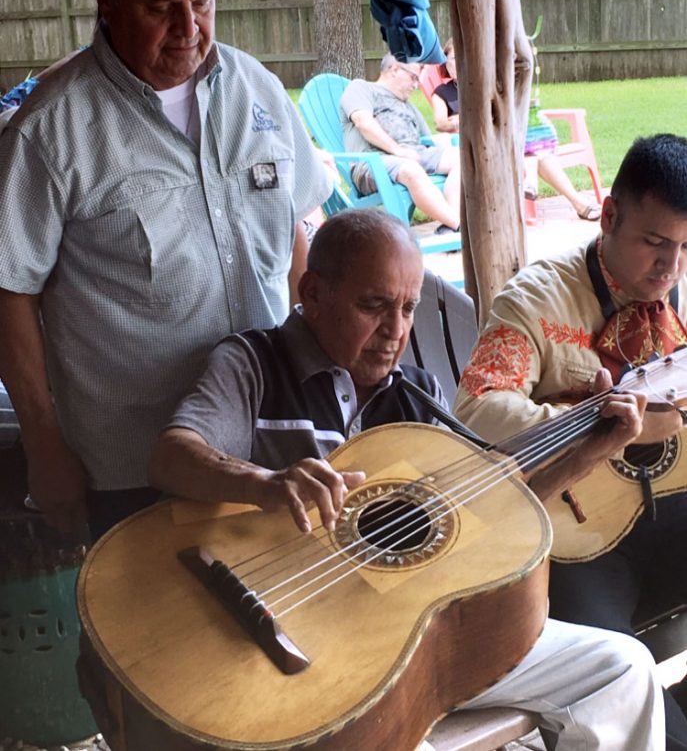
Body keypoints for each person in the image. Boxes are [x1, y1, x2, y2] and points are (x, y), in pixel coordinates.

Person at [150, 207, 664, 750]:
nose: (395, 331)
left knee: (621, 669)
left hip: (411, 639)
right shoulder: (252, 363)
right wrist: (265, 482)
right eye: (373, 305)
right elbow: (172, 455)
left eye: (408, 308)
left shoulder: (417, 397)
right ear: (314, 293)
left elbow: (489, 509)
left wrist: (595, 449)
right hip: (298, 639)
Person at [0, 0, 331, 541]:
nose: (188, 27)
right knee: (150, 638)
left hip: (269, 438)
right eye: (160, 7)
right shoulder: (50, 130)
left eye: (202, 2)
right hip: (131, 467)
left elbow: (293, 232)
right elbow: (10, 291)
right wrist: (45, 449)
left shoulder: (257, 90)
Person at [455, 134, 687, 749]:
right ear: (608, 216)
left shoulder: (677, 301)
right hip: (576, 537)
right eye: (655, 242)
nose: (670, 266)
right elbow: (477, 412)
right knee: (614, 682)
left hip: (665, 512)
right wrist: (594, 424)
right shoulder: (536, 300)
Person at [430, 37, 601, 220]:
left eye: (465, 57)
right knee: (536, 152)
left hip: (506, 139)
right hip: (478, 144)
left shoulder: (485, 86)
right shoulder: (441, 93)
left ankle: (552, 192)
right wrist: (467, 120)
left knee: (535, 151)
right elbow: (441, 123)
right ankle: (573, 201)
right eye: (454, 58)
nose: (460, 63)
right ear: (445, 62)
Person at [340, 54, 461, 235]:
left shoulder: (407, 104)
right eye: (413, 77)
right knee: (410, 168)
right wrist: (397, 150)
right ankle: (459, 227)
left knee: (462, 157)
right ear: (395, 69)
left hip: (413, 155)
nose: (416, 84)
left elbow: (428, 139)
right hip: (372, 161)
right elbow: (362, 122)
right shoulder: (361, 88)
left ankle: (451, 224)